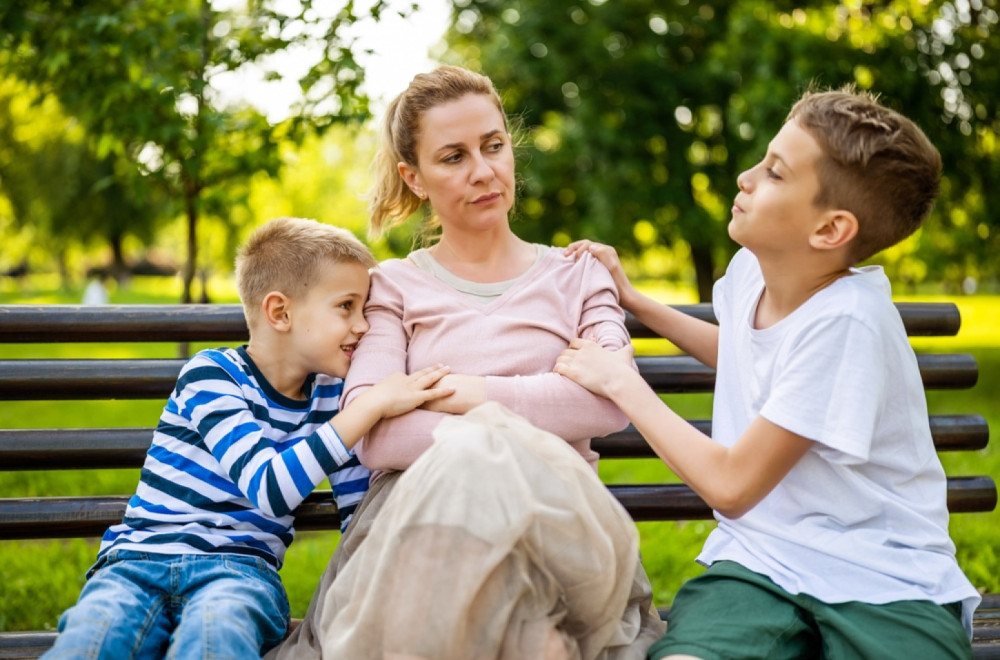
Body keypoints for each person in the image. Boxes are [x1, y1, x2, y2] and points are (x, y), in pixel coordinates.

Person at [555, 87, 981, 659]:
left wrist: (620, 382)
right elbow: (744, 352)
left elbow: (731, 486)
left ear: (829, 230)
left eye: (775, 173)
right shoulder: (752, 271)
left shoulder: (848, 320)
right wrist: (636, 301)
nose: (745, 178)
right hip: (759, 564)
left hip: (884, 577)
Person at [268, 65, 665, 660]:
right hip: (421, 530)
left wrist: (466, 391)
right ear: (414, 177)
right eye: (453, 157)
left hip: (557, 527)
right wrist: (540, 405)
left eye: (494, 146)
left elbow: (609, 403)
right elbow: (378, 437)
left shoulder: (579, 274)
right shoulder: (391, 286)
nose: (483, 171)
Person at [43, 217, 454, 660]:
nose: (363, 326)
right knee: (95, 638)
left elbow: (358, 522)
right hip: (137, 565)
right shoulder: (211, 375)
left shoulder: (336, 401)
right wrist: (369, 407)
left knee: (215, 636)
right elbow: (268, 487)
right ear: (280, 313)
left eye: (364, 310)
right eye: (346, 307)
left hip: (239, 574)